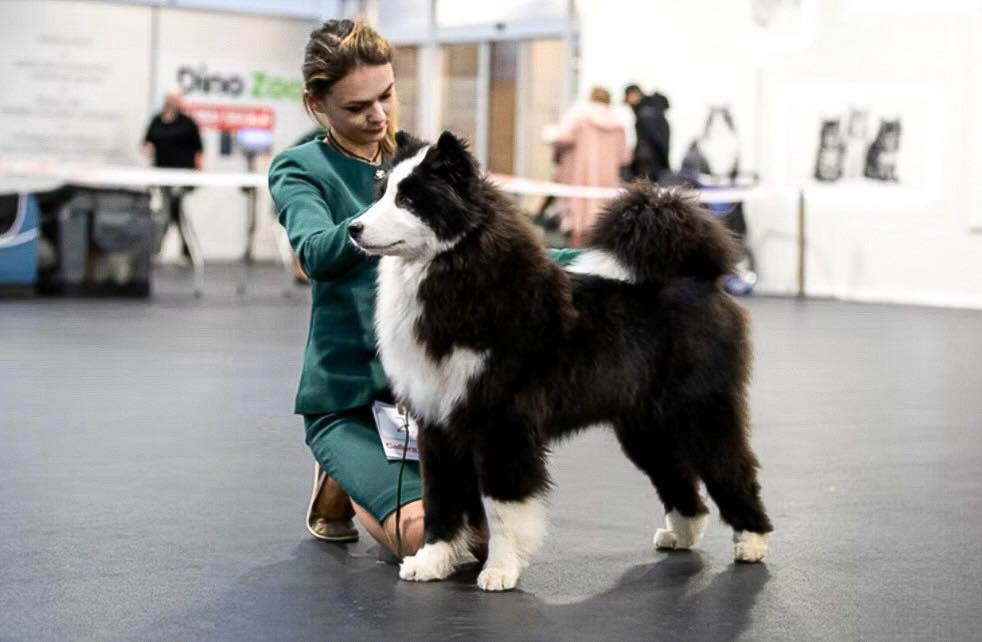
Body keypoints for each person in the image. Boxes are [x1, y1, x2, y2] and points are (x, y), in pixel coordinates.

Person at [269, 19, 579, 559]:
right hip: (351, 397)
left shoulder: (416, 159)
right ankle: (339, 465)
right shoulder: (299, 168)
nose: (379, 115)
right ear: (315, 103)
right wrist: (378, 223)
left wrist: (598, 261)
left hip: (434, 392)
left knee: (480, 540)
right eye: (356, 106)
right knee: (426, 539)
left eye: (386, 95)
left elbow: (494, 244)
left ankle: (354, 480)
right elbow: (315, 252)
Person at [544, 86, 628, 246]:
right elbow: (625, 157)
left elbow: (562, 137)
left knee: (578, 220)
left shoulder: (579, 115)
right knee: (601, 218)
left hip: (579, 175)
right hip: (606, 179)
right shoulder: (619, 123)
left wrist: (548, 132)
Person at [143, 88, 203, 263]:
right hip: (162, 175)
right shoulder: (157, 121)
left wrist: (199, 174)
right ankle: (182, 252)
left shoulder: (187, 123)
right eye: (171, 99)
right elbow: (146, 142)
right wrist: (148, 148)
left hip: (182, 176)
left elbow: (198, 150)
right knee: (172, 213)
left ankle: (157, 251)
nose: (173, 102)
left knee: (170, 212)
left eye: (176, 99)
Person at [623, 84, 672, 183]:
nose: (628, 103)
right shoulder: (653, 111)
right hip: (654, 163)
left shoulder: (645, 114)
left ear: (634, 94)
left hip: (648, 164)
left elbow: (652, 141)